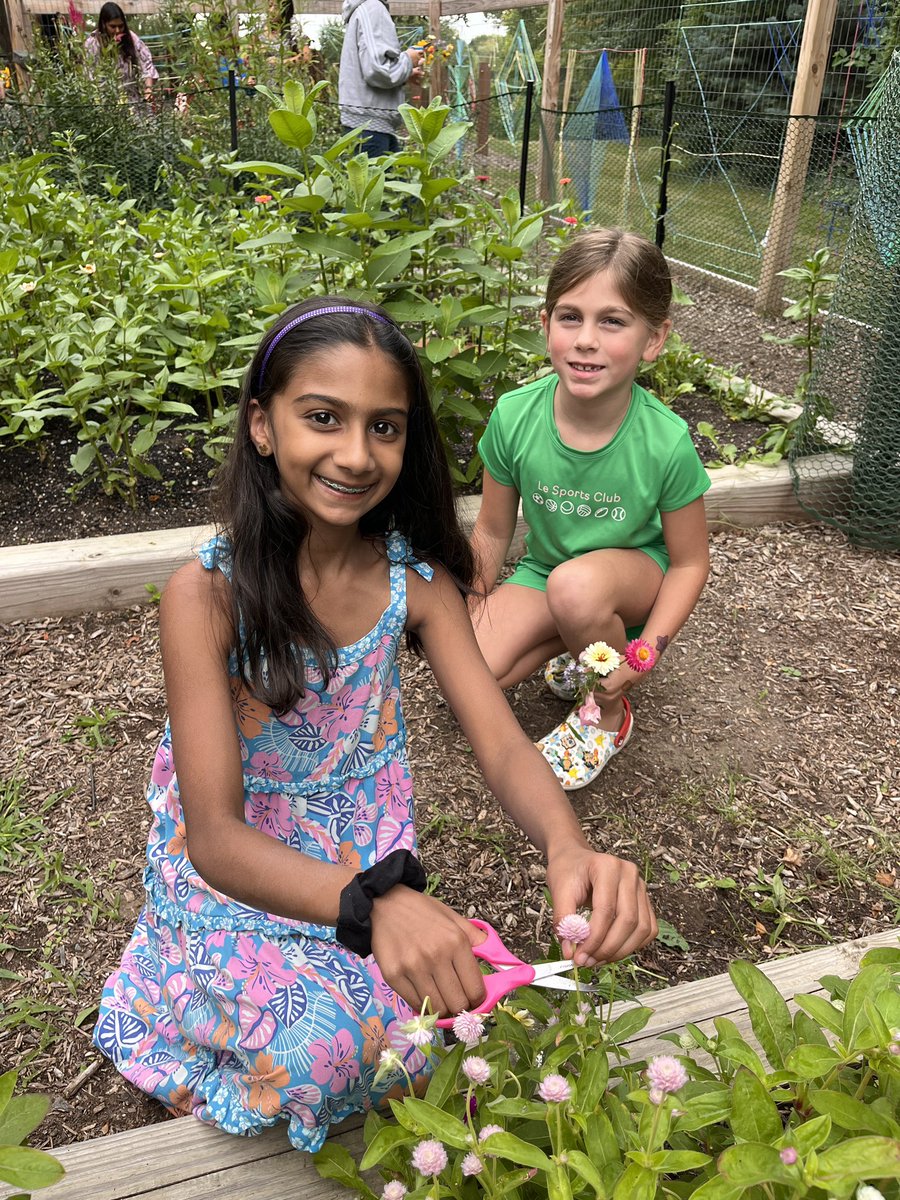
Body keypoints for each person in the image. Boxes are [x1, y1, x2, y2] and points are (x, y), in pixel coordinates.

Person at [93, 298, 656, 1152]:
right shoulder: (204, 597)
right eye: (323, 417)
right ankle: (167, 1015)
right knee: (335, 1051)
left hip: (364, 871)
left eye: (384, 427)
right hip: (239, 884)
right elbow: (212, 834)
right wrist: (374, 907)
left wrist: (567, 847)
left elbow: (500, 742)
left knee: (444, 1014)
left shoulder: (417, 585)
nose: (356, 455)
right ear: (262, 426)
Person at [470, 228, 711, 791]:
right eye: (570, 317)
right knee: (471, 672)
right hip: (548, 574)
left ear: (654, 339)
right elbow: (491, 527)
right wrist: (467, 609)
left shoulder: (665, 442)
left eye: (613, 321)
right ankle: (583, 647)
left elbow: (689, 564)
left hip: (633, 576)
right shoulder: (513, 416)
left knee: (576, 588)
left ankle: (608, 712)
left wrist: (647, 651)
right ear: (546, 325)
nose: (585, 340)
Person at [338, 0, 424, 157]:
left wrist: (405, 74)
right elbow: (379, 70)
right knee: (383, 180)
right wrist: (408, 59)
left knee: (391, 180)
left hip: (368, 122)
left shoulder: (364, 8)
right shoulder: (373, 8)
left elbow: (369, 67)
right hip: (370, 127)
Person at [84, 2, 158, 103]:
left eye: (121, 26)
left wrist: (148, 89)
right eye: (113, 26)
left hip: (133, 101)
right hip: (106, 103)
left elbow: (147, 66)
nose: (117, 30)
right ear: (103, 24)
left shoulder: (132, 39)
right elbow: (89, 75)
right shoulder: (92, 44)